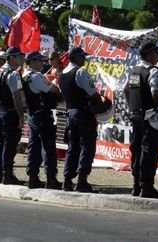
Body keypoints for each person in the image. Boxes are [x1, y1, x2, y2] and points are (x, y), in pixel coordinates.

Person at [124, 42, 158, 198]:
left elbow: (126, 90)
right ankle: (146, 186)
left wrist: (133, 108)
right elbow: (156, 94)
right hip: (150, 117)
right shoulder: (153, 71)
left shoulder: (135, 71)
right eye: (156, 52)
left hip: (136, 116)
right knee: (149, 151)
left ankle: (136, 185)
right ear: (149, 54)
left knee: (136, 149)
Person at [59, 47, 106, 193]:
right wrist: (102, 104)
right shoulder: (80, 72)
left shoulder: (62, 74)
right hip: (83, 113)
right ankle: (82, 180)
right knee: (87, 146)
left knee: (73, 147)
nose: (85, 60)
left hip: (70, 112)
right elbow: (93, 94)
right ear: (77, 58)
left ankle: (67, 180)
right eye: (83, 57)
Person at [22, 51, 62, 189]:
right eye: (39, 60)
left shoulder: (24, 75)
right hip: (42, 115)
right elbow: (54, 90)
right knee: (48, 147)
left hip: (32, 115)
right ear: (32, 62)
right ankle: (51, 178)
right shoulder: (37, 77)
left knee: (34, 147)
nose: (42, 63)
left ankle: (33, 177)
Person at [0, 47, 26, 185]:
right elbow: (16, 96)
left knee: (0, 143)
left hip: (0, 111)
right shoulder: (13, 74)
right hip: (10, 112)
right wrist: (21, 115)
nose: (22, 59)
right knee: (10, 144)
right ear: (11, 57)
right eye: (19, 56)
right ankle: (8, 174)